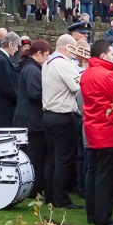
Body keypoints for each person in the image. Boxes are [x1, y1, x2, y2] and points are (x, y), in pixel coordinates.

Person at [81, 39, 113, 225]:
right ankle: (103, 217)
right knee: (105, 177)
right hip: (107, 129)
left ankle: (92, 214)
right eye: (111, 54)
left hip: (92, 128)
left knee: (93, 173)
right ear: (102, 56)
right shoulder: (107, 75)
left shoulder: (86, 73)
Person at [41, 35, 82, 208]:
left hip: (49, 115)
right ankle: (61, 199)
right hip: (63, 116)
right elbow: (79, 87)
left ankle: (50, 195)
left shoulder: (48, 62)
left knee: (52, 159)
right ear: (67, 48)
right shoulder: (64, 64)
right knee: (63, 160)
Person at [12, 40, 52, 198]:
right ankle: (34, 190)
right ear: (39, 54)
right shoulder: (32, 70)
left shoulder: (28, 68)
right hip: (32, 119)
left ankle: (33, 188)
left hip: (27, 117)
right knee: (35, 156)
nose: (48, 59)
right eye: (46, 55)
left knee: (33, 155)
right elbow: (34, 94)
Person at [0, 32, 21, 127]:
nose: (17, 49)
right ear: (11, 44)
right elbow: (7, 88)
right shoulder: (0, 60)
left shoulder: (0, 58)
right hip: (3, 112)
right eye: (16, 46)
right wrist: (21, 99)